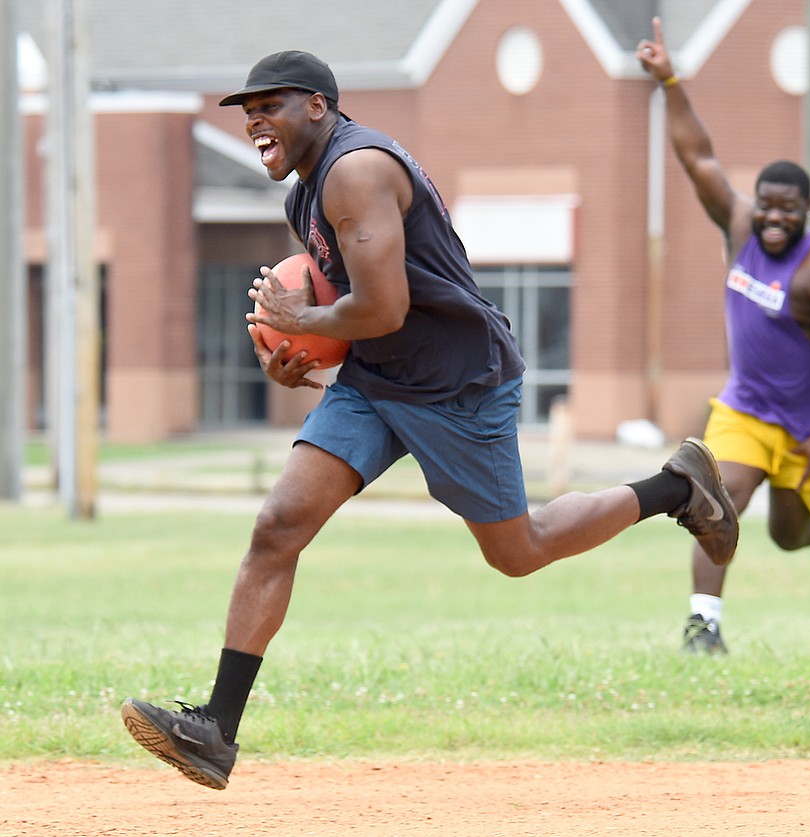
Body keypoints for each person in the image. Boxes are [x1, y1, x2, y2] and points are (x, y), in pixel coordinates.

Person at [120, 50, 739, 789]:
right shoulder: (304, 195)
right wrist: (293, 354)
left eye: (271, 104)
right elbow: (344, 320)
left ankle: (676, 487)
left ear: (318, 105)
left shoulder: (357, 171)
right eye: (246, 110)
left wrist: (307, 316)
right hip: (376, 378)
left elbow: (386, 307)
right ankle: (216, 729)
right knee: (278, 523)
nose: (255, 119)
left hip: (457, 382)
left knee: (519, 549)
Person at [635, 19, 810, 655]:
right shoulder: (740, 227)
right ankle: (703, 625)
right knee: (716, 499)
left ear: (807, 210)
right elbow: (697, 156)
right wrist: (670, 83)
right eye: (767, 204)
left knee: (790, 534)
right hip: (744, 408)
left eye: (787, 209)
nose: (773, 217)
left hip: (805, 426)